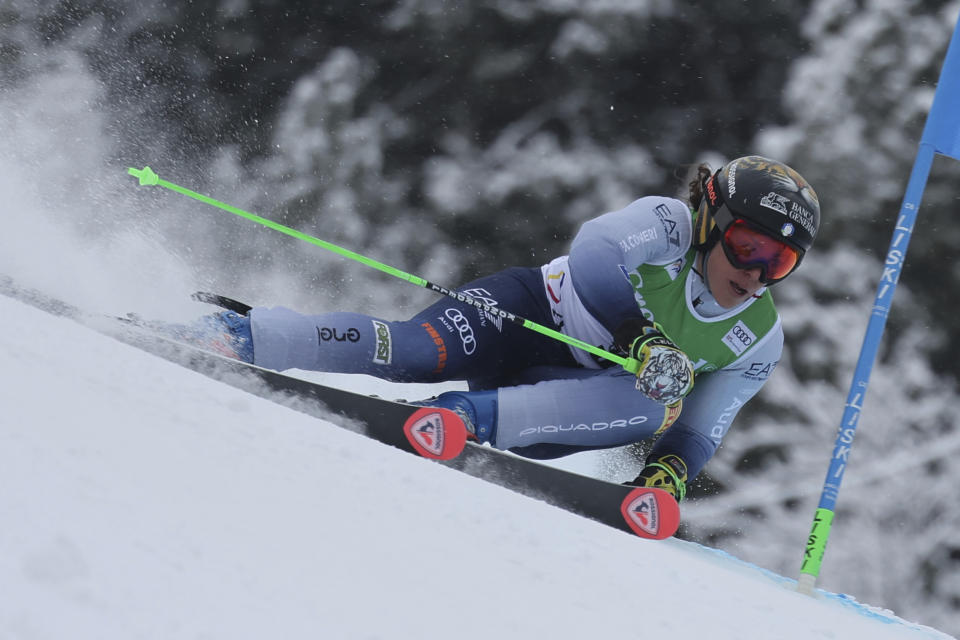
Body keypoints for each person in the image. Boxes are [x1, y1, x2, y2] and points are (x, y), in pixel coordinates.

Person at [193, 155, 820, 503]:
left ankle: (463, 416)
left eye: (780, 263)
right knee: (414, 350)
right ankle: (243, 335)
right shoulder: (668, 225)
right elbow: (594, 252)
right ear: (711, 217)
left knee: (653, 404)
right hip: (525, 314)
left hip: (566, 403)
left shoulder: (759, 339)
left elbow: (699, 427)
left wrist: (670, 471)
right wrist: (640, 337)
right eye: (747, 246)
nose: (758, 275)